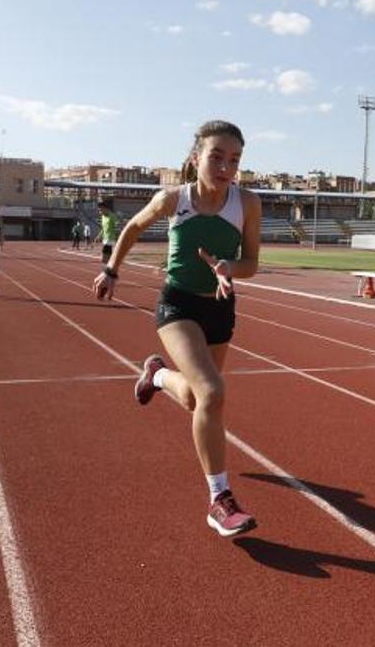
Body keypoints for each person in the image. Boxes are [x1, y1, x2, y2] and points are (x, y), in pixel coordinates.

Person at [93, 120, 261, 537]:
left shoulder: (248, 203)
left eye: (234, 160)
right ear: (196, 158)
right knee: (213, 392)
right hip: (178, 305)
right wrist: (111, 270)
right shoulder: (173, 199)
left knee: (193, 397)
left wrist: (229, 267)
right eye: (216, 157)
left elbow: (252, 263)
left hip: (220, 307)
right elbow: (133, 227)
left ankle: (156, 375)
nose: (225, 168)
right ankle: (219, 500)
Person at [93, 198, 121, 266]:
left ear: (105, 208)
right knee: (108, 255)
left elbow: (117, 226)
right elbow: (103, 228)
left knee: (104, 254)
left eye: (100, 210)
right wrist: (98, 236)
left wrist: (118, 237)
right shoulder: (103, 217)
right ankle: (109, 267)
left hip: (110, 238)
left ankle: (106, 268)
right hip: (105, 238)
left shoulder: (112, 216)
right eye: (99, 210)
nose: (99, 212)